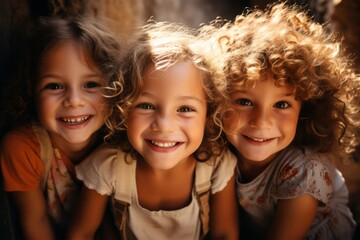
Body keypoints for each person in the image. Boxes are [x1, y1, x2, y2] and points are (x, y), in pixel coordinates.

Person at [199, 2, 360, 240]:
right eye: (244, 102)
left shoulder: (305, 170)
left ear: (305, 110)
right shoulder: (221, 151)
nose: (261, 121)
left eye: (282, 105)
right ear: (219, 98)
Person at [67, 20, 239, 240]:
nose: (164, 124)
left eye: (185, 109)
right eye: (146, 106)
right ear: (123, 110)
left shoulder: (216, 166)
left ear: (209, 114)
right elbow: (80, 233)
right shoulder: (108, 168)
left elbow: (225, 234)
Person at [0, 16, 124, 239]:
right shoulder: (24, 148)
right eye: (54, 86)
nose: (74, 100)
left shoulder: (123, 141)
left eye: (90, 84)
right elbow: (35, 221)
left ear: (114, 87)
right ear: (31, 90)